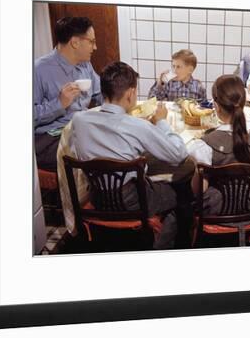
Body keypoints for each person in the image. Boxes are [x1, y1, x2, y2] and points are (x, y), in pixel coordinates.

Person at [70, 62, 193, 249]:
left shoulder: (78, 120)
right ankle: (162, 246)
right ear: (130, 93)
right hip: (131, 200)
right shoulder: (137, 126)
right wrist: (161, 122)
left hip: (97, 196)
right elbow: (178, 154)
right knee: (182, 191)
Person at [187, 75, 250, 216]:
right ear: (244, 103)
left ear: (216, 107)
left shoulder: (204, 146)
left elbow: (199, 190)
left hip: (217, 207)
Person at [34, 17, 103, 171]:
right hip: (50, 139)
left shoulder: (86, 65)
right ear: (75, 42)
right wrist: (59, 103)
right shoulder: (39, 70)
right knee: (96, 154)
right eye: (91, 42)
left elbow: (101, 94)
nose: (95, 47)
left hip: (80, 130)